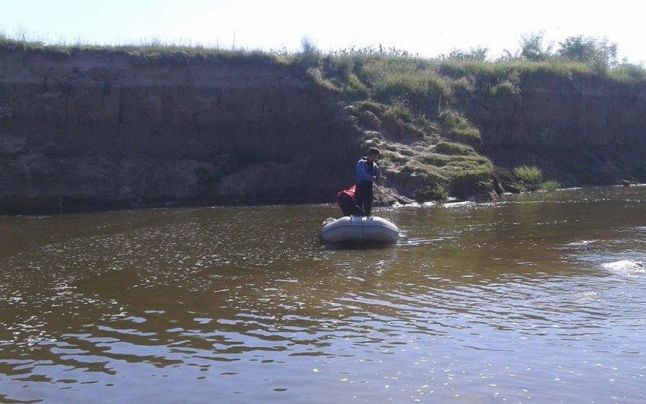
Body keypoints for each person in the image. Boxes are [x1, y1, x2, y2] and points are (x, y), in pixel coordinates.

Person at [355, 148, 380, 217]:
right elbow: (363, 175)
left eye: (376, 157)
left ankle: (367, 218)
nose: (375, 159)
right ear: (369, 155)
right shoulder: (361, 163)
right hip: (360, 188)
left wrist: (379, 176)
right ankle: (358, 220)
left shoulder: (374, 165)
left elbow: (377, 175)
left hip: (369, 189)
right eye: (374, 157)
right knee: (359, 207)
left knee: (368, 207)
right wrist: (373, 177)